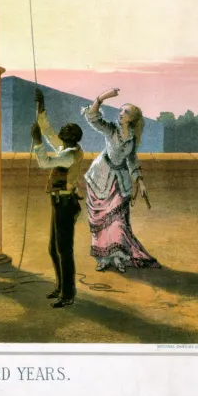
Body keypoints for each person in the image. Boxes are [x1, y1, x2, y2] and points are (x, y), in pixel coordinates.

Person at [81, 87, 160, 273]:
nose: (121, 114)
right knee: (100, 220)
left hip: (120, 181)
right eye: (121, 110)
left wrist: (139, 181)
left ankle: (118, 257)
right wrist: (102, 97)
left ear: (132, 119)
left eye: (125, 112)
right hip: (101, 176)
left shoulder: (131, 139)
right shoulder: (111, 130)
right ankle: (103, 258)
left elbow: (131, 160)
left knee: (118, 221)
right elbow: (93, 118)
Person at [31, 87, 85, 308]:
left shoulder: (68, 155)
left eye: (67, 129)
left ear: (72, 137)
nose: (62, 129)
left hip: (65, 205)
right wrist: (40, 107)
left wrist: (36, 142)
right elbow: (48, 129)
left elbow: (45, 162)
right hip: (60, 203)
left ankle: (68, 294)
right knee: (55, 249)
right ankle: (61, 287)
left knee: (63, 250)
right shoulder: (67, 147)